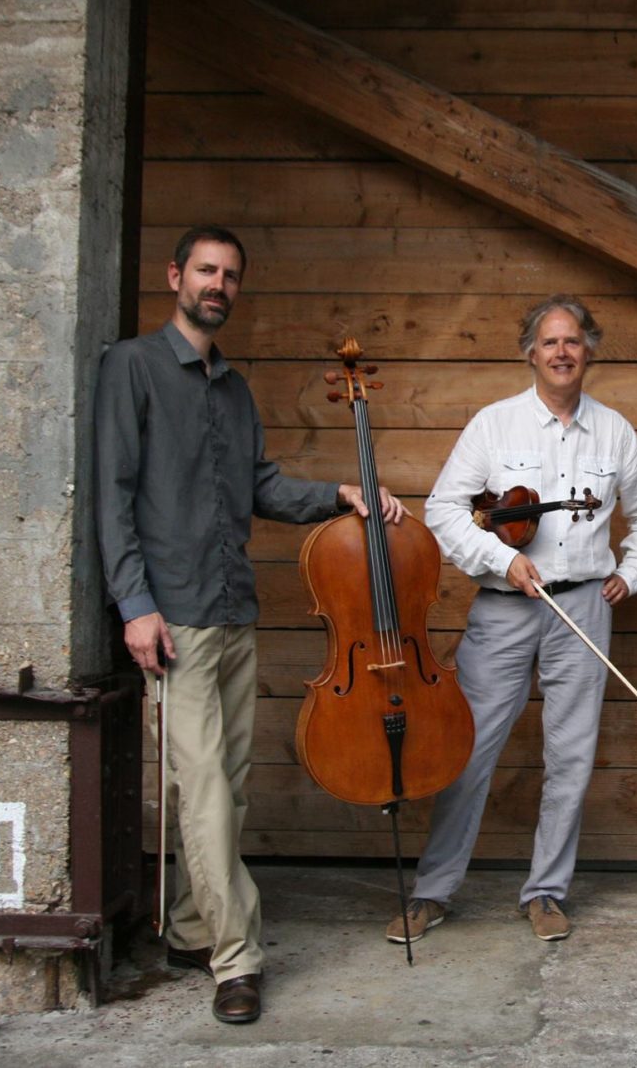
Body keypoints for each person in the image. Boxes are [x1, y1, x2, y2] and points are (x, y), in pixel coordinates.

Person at [95, 224, 404, 1023]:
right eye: (206, 270)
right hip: (175, 619)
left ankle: (193, 927)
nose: (218, 285)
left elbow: (261, 486)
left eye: (230, 275)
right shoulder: (131, 367)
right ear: (175, 276)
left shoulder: (233, 389)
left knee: (225, 791)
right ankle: (238, 960)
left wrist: (340, 495)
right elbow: (112, 494)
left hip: (235, 611)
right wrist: (135, 604)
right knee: (199, 792)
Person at [389, 294, 637, 944]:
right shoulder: (495, 425)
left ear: (589, 349)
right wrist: (498, 558)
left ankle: (545, 891)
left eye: (573, 341)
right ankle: (433, 890)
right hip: (505, 605)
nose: (562, 352)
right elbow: (443, 509)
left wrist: (632, 570)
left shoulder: (615, 431)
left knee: (570, 754)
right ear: (530, 352)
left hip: (584, 604)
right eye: (549, 342)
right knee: (468, 748)